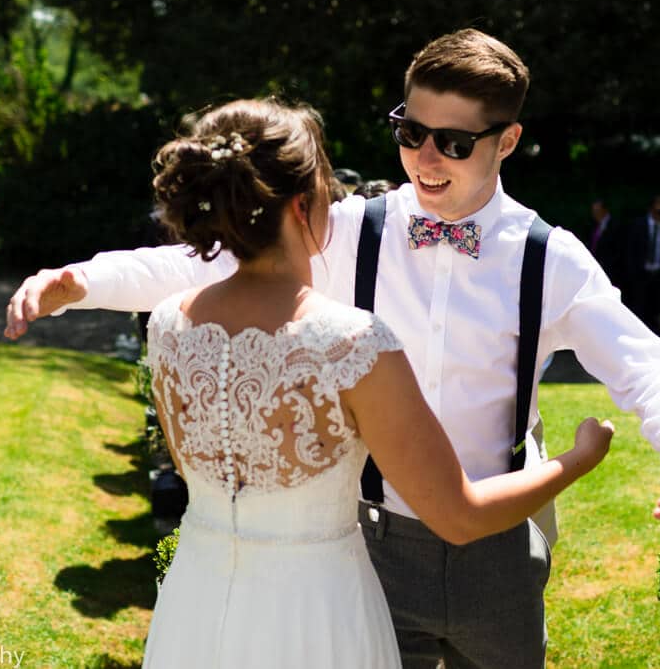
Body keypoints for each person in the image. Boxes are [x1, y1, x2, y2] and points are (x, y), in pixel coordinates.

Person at [5, 29, 660, 669]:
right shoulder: (346, 227)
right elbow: (204, 265)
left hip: (500, 553)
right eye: (410, 132)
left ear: (506, 141)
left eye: (454, 142)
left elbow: (641, 363)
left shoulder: (550, 259)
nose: (424, 156)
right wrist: (81, 281)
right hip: (370, 545)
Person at [93, 98, 618, 667]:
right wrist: (576, 459)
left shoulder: (170, 324)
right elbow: (458, 515)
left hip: (195, 600)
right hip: (319, 611)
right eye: (326, 181)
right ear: (302, 204)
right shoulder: (353, 343)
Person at [624, 194, 660, 335]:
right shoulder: (639, 225)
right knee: (640, 313)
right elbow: (631, 251)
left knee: (659, 315)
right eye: (657, 206)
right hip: (642, 276)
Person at [585, 198, 621, 285]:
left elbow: (618, 250)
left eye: (597, 210)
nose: (594, 213)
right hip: (594, 268)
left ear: (604, 210)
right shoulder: (593, 225)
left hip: (609, 271)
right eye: (594, 211)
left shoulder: (615, 226)